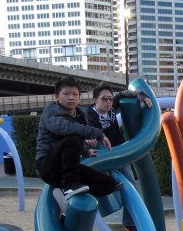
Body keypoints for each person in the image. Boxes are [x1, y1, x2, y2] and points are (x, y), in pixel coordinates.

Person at [35, 76, 122, 211]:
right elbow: (65, 129)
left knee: (110, 184)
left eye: (75, 94)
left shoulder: (80, 114)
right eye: (66, 94)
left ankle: (67, 197)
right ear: (57, 96)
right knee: (73, 136)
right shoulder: (51, 111)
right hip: (48, 166)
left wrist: (85, 150)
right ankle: (69, 186)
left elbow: (74, 143)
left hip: (66, 170)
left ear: (79, 97)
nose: (71, 97)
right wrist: (97, 133)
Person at [87, 84, 152, 231]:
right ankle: (129, 225)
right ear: (95, 100)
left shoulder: (110, 107)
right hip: (104, 157)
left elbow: (124, 93)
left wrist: (142, 95)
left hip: (119, 154)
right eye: (104, 99)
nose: (108, 102)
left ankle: (129, 226)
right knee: (123, 187)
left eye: (110, 99)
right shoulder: (89, 117)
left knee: (130, 186)